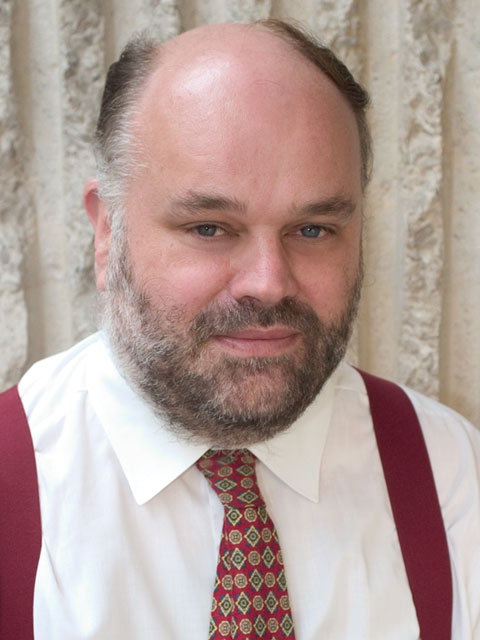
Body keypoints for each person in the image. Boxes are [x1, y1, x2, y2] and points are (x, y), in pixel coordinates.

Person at [2, 18, 480, 639]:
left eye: (313, 229)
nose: (268, 282)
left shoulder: (448, 474)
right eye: (209, 228)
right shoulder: (14, 483)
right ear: (106, 233)